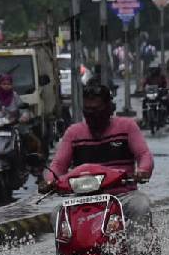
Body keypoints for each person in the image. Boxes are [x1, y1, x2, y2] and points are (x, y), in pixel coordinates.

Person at [42, 84, 154, 225]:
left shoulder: (127, 127)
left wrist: (143, 171)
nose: (92, 114)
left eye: (96, 109)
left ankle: (140, 246)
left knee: (140, 206)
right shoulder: (73, 133)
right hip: (83, 199)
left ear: (108, 108)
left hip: (123, 196)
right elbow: (58, 164)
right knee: (57, 215)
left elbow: (144, 154)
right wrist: (50, 181)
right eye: (88, 110)